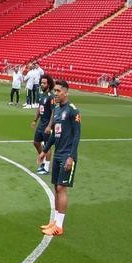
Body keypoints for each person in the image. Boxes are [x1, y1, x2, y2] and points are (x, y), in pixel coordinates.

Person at [40, 79, 80, 237]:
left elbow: (77, 136)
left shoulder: (72, 111)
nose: (55, 94)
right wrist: (44, 150)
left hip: (67, 155)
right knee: (55, 188)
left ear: (66, 92)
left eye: (58, 91)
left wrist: (71, 156)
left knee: (61, 188)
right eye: (54, 91)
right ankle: (54, 222)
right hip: (57, 154)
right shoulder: (57, 110)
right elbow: (53, 136)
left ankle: (59, 226)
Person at [31, 75, 55, 174]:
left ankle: (46, 167)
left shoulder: (51, 96)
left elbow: (54, 112)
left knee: (47, 146)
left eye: (44, 83)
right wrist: (35, 120)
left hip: (47, 125)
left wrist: (49, 126)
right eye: (41, 82)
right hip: (41, 124)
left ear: (48, 84)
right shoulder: (42, 95)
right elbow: (39, 109)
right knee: (36, 142)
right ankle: (43, 159)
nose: (42, 84)